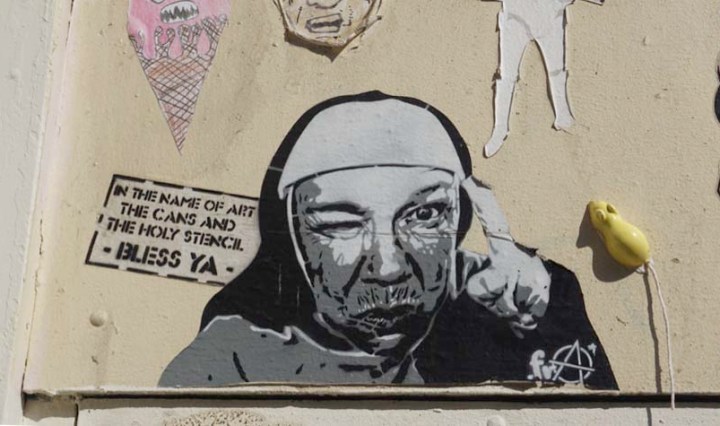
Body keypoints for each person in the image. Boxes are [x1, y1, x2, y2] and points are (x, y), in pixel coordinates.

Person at [160, 91, 617, 388]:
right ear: (293, 239)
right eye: (341, 224)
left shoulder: (500, 305)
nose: (388, 267)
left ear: (460, 218)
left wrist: (546, 322)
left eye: (424, 215)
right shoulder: (234, 363)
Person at [484, 0, 583, 157]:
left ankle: (563, 115)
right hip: (515, 15)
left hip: (551, 14)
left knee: (556, 70)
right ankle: (500, 128)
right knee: (507, 75)